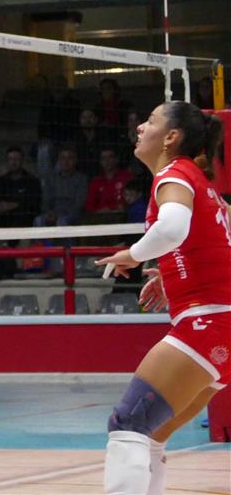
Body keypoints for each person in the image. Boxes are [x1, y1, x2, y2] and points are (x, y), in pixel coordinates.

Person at [94, 103, 229, 495]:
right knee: (151, 435)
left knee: (128, 424)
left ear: (171, 137)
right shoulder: (203, 185)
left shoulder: (175, 173)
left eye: (150, 121)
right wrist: (172, 277)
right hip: (220, 326)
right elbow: (215, 244)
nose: (139, 126)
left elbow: (171, 229)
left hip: (206, 324)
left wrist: (133, 254)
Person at [0, 147, 41, 227]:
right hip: (4, 219)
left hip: (25, 220)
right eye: (11, 159)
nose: (13, 162)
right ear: (7, 161)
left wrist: (14, 205)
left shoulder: (32, 180)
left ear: (22, 161)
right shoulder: (1, 181)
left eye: (17, 159)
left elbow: (35, 204)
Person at [39, 146, 89, 226]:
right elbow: (46, 200)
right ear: (59, 160)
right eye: (62, 158)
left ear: (75, 160)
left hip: (72, 215)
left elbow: (79, 204)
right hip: (52, 213)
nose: (66, 161)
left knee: (62, 221)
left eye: (70, 158)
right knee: (38, 221)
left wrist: (59, 215)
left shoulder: (82, 179)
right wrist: (49, 213)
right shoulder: (51, 178)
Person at [87, 148, 133, 216]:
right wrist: (99, 211)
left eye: (110, 157)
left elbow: (134, 199)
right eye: (103, 158)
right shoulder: (96, 182)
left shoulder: (127, 177)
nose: (107, 161)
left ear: (117, 159)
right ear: (100, 162)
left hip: (124, 217)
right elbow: (89, 206)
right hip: (100, 218)